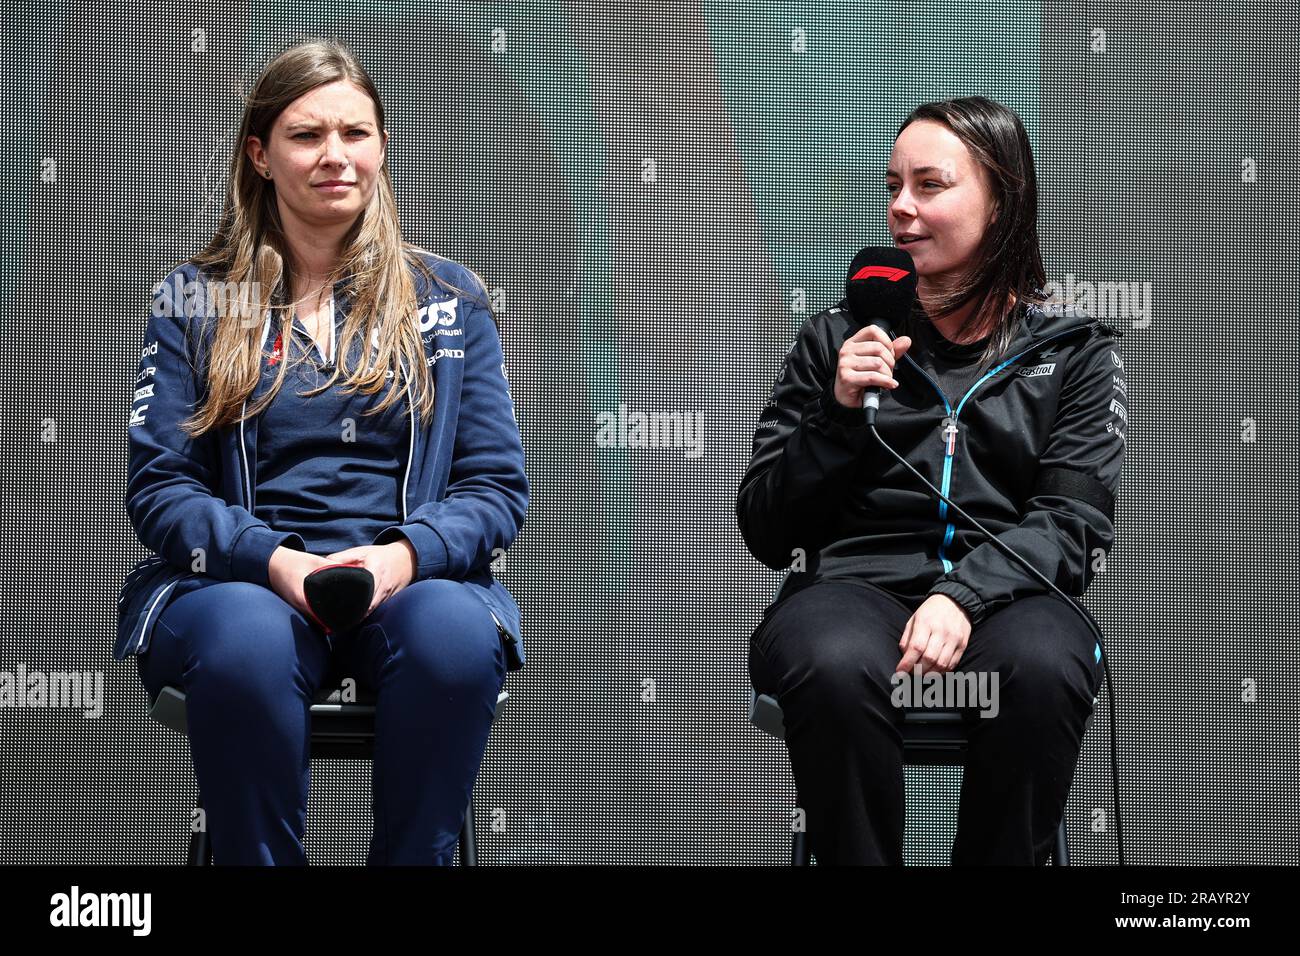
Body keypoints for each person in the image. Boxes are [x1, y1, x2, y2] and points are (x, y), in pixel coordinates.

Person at [115, 38, 529, 865]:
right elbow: (160, 489)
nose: (335, 156)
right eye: (307, 136)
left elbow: (494, 489)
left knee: (453, 638)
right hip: (242, 586)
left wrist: (398, 561)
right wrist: (277, 565)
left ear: (382, 146)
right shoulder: (196, 299)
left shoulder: (450, 298)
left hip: (406, 584)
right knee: (246, 642)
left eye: (356, 133)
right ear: (260, 156)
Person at [736, 96, 1128, 865]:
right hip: (852, 593)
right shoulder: (835, 340)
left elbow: (1072, 524)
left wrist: (963, 594)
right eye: (891, 187)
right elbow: (766, 527)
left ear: (1002, 197)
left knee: (1046, 666)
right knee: (835, 662)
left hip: (1012, 601)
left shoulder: (1076, 354)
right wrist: (838, 414)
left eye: (929, 185)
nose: (901, 210)